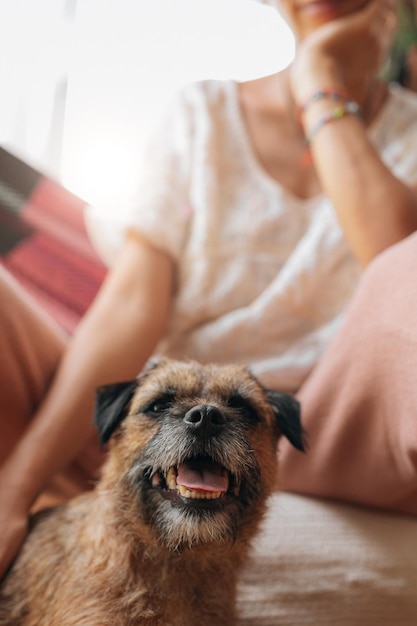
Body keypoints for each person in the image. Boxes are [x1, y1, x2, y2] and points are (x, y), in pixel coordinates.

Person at [1, 0, 417, 585]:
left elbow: (397, 259)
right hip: (146, 422)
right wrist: (15, 487)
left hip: (323, 435)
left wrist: (318, 83)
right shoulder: (203, 113)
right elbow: (131, 305)